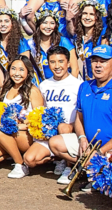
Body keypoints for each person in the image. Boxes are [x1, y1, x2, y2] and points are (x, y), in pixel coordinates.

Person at [66, 45, 112, 185]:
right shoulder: (84, 86)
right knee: (56, 143)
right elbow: (79, 118)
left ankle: (95, 171)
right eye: (94, 61)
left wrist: (100, 152)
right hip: (89, 144)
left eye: (103, 61)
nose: (98, 65)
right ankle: (91, 169)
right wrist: (81, 138)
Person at [0, 55, 43, 178]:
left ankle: (20, 164)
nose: (16, 73)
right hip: (8, 133)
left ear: (28, 71)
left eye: (21, 70)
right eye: (13, 69)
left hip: (26, 135)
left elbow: (39, 122)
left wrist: (17, 125)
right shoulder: (7, 87)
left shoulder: (33, 90)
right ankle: (14, 152)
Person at [35, 47, 84, 178]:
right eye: (52, 62)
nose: (57, 66)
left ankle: (69, 166)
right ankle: (57, 159)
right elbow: (41, 109)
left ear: (68, 63)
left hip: (69, 129)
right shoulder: (44, 85)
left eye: (61, 61)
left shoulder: (78, 84)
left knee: (63, 127)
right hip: (51, 131)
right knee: (30, 160)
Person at [21, 11, 78, 79]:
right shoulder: (30, 43)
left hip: (63, 83)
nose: (48, 26)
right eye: (44, 23)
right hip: (41, 85)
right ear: (38, 24)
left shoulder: (64, 42)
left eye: (52, 23)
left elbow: (75, 69)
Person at [69, 0, 106, 81]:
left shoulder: (102, 35)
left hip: (100, 80)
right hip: (85, 81)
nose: (87, 17)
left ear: (97, 17)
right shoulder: (78, 37)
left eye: (92, 14)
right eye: (85, 13)